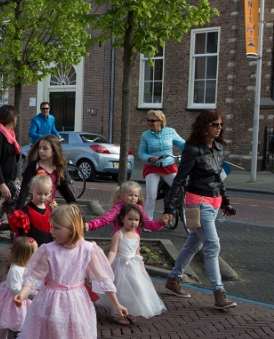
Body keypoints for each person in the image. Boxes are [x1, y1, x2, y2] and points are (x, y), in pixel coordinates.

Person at [13, 205, 128, 339]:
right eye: (52, 227)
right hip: (52, 303)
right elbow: (35, 275)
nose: (51, 231)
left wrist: (116, 303)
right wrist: (23, 293)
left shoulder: (87, 249)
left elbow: (100, 278)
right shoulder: (49, 250)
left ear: (72, 229)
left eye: (56, 228)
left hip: (76, 303)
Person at [163, 110, 237, 310]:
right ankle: (219, 293)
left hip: (214, 201)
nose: (219, 128)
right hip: (198, 203)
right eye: (215, 124)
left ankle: (173, 279)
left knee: (193, 243)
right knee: (212, 245)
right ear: (204, 126)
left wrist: (226, 202)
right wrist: (169, 207)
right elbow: (179, 180)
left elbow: (218, 178)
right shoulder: (192, 149)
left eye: (220, 124)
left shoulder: (218, 147)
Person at [97, 204, 166, 325]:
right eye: (130, 219)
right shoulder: (118, 234)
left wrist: (142, 267)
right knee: (121, 289)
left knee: (136, 288)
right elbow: (113, 251)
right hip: (120, 265)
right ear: (122, 218)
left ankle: (131, 311)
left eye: (136, 220)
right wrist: (107, 265)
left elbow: (137, 252)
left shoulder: (137, 236)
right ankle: (118, 313)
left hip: (133, 266)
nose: (133, 222)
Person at [0, 236, 38, 339]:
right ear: (26, 254)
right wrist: (27, 294)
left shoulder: (29, 266)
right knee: (6, 321)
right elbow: (14, 287)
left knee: (25, 319)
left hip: (24, 299)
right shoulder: (15, 269)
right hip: (12, 300)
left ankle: (22, 337)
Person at [139, 110, 186, 220]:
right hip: (152, 167)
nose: (150, 122)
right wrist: (150, 158)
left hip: (168, 166)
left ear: (160, 121)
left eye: (153, 120)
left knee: (180, 188)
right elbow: (141, 153)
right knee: (151, 196)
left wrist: (191, 149)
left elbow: (183, 144)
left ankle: (173, 207)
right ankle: (148, 222)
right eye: (148, 120)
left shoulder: (170, 132)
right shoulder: (145, 135)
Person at [15, 135, 77, 209]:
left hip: (51, 209)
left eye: (45, 148)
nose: (41, 151)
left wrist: (79, 214)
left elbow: (67, 193)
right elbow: (24, 191)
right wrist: (18, 212)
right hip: (35, 208)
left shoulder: (59, 169)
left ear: (54, 151)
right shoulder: (34, 166)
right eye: (39, 148)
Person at [86, 181, 170, 235]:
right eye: (130, 195)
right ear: (122, 196)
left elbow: (148, 224)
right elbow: (104, 220)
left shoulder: (138, 209)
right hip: (120, 242)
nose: (133, 198)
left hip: (134, 244)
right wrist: (89, 225)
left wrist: (161, 222)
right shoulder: (118, 208)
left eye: (136, 195)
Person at [8, 174, 54, 245]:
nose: (42, 197)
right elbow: (22, 235)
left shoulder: (50, 209)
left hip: (47, 249)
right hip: (32, 250)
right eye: (39, 193)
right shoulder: (25, 211)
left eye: (46, 194)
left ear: (50, 192)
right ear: (31, 190)